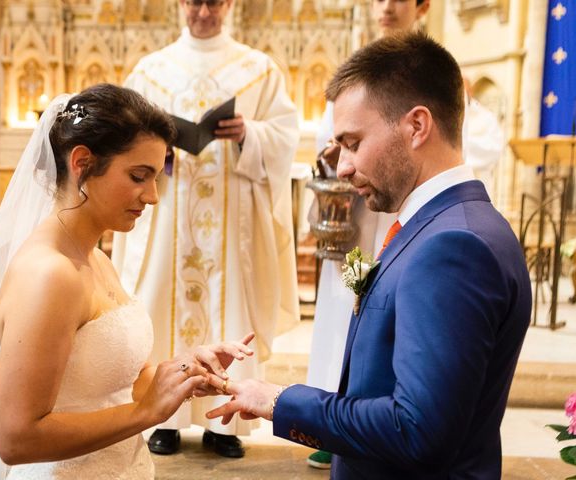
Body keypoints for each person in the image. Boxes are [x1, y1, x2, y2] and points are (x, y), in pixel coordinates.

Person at [206, 32, 532, 479]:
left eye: (354, 143)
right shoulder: (447, 224)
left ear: (417, 126)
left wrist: (281, 402)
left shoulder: (453, 247)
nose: (340, 166)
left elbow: (416, 430)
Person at [0, 83, 254, 480]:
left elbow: (116, 379)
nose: (152, 197)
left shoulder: (95, 257)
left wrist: (184, 373)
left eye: (156, 177)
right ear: (82, 162)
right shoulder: (49, 275)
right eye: (138, 176)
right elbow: (16, 438)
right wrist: (145, 414)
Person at [111, 0, 300, 458]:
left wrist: (249, 134)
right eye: (194, 1)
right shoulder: (150, 72)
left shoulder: (258, 70)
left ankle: (225, 423)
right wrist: (156, 153)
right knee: (158, 311)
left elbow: (285, 136)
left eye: (214, 1)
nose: (203, 11)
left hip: (231, 234)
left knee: (228, 313)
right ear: (180, 3)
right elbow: (121, 136)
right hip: (164, 219)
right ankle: (164, 417)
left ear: (230, 4)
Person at [305, 0, 430, 469]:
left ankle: (376, 414)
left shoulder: (436, 68)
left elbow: (469, 135)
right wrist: (336, 157)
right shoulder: (354, 73)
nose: (385, 6)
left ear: (422, 6)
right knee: (343, 309)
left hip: (407, 210)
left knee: (395, 310)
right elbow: (331, 137)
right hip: (356, 219)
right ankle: (330, 416)